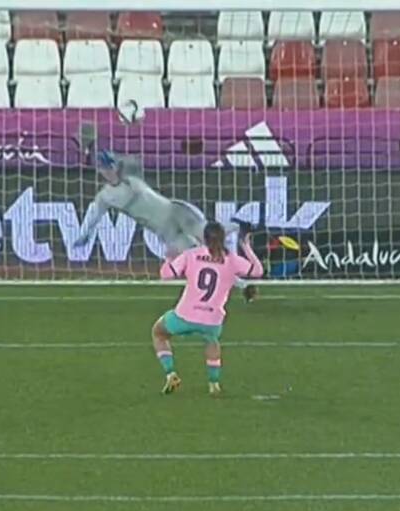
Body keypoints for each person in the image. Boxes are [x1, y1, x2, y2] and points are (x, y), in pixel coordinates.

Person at [75, 149, 258, 302]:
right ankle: (243, 286)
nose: (108, 170)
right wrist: (85, 234)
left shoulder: (131, 181)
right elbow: (95, 214)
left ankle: (237, 226)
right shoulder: (105, 196)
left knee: (207, 236)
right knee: (201, 259)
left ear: (116, 166)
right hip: (165, 230)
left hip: (175, 211)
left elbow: (134, 164)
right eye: (104, 168)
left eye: (111, 166)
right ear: (100, 170)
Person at [154, 221, 264, 396]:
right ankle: (214, 384)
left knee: (159, 333)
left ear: (203, 238)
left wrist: (169, 257)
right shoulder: (232, 260)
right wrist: (247, 247)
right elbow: (258, 271)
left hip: (185, 316)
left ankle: (170, 373)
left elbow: (165, 275)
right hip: (213, 320)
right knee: (212, 341)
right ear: (223, 239)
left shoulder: (191, 255)